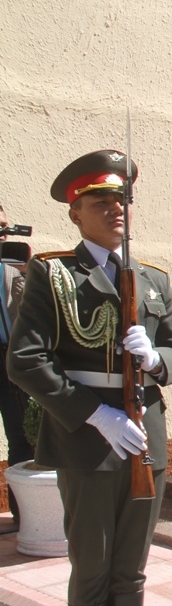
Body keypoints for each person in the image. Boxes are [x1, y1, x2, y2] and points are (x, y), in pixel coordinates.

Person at [7, 150, 172, 606]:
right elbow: (24, 362)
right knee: (92, 568)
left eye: (123, 200)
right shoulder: (53, 274)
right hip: (87, 440)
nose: (117, 210)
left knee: (131, 570)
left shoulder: (153, 279)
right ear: (75, 212)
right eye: (101, 201)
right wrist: (96, 414)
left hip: (145, 441)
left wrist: (156, 359)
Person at [0, 204, 32, 523]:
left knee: (21, 436)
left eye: (6, 225)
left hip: (9, 358)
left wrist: (27, 272)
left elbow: (26, 311)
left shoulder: (12, 264)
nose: (4, 232)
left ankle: (24, 516)